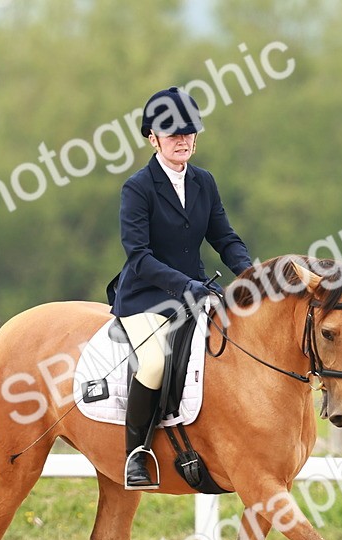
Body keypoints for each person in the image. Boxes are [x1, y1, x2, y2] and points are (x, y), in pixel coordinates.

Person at [108, 86, 253, 490]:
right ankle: (136, 454)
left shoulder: (204, 182)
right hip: (145, 298)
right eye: (173, 134)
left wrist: (251, 273)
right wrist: (186, 285)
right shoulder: (137, 188)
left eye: (189, 133)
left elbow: (225, 238)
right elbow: (139, 256)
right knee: (154, 363)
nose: (183, 140)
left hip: (195, 295)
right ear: (152, 138)